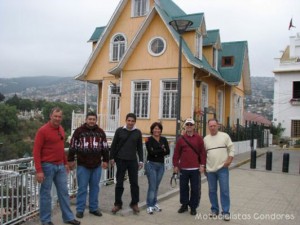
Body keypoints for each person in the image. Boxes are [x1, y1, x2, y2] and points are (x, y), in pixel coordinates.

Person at [33, 107, 80, 225]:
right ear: (51, 116)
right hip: (47, 166)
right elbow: (36, 151)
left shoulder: (61, 129)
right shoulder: (42, 131)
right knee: (45, 194)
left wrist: (65, 163)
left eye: (59, 117)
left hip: (60, 166)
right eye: (55, 116)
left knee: (64, 192)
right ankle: (46, 220)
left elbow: (61, 149)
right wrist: (39, 170)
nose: (58, 119)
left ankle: (68, 217)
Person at [68, 111, 109, 218]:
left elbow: (105, 147)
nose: (91, 121)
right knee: (82, 188)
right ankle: (80, 209)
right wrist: (70, 160)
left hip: (96, 165)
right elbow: (73, 146)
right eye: (90, 119)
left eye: (93, 119)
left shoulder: (100, 132)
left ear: (96, 120)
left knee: (95, 187)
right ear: (86, 120)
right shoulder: (78, 132)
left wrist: (106, 160)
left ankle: (93, 208)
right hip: (82, 164)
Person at [110, 113, 144, 214]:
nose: (130, 123)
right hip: (120, 160)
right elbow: (114, 145)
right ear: (126, 121)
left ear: (135, 122)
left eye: (132, 121)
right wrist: (111, 157)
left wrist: (141, 160)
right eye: (129, 120)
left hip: (132, 161)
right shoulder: (119, 131)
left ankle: (134, 203)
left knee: (134, 183)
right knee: (119, 183)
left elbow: (140, 148)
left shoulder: (137, 132)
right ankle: (118, 204)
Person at [173, 118, 206, 216]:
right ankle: (184, 205)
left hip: (195, 169)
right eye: (187, 124)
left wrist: (202, 165)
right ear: (185, 126)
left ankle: (193, 207)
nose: (189, 126)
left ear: (194, 126)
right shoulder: (181, 139)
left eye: (191, 124)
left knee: (195, 189)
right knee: (183, 188)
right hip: (183, 168)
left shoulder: (199, 138)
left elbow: (202, 153)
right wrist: (175, 165)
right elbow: (176, 154)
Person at [204, 118, 234, 221]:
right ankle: (214, 209)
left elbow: (231, 148)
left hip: (222, 169)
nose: (212, 127)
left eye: (214, 125)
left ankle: (225, 212)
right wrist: (204, 167)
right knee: (212, 191)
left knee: (224, 191)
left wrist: (229, 160)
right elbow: (203, 154)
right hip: (210, 170)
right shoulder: (205, 139)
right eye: (210, 126)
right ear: (208, 127)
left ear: (218, 126)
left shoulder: (225, 136)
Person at [145, 122, 170, 214]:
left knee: (156, 185)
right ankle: (149, 205)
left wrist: (157, 151)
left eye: (158, 128)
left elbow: (167, 151)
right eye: (155, 128)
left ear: (161, 130)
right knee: (152, 185)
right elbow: (151, 153)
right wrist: (161, 149)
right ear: (152, 130)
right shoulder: (148, 139)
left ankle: (154, 203)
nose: (157, 130)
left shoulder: (163, 139)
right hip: (151, 164)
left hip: (161, 165)